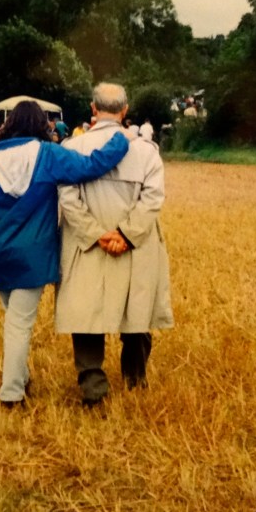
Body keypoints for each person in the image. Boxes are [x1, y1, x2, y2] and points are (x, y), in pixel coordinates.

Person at [0, 100, 132, 407]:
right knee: (19, 324)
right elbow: (91, 165)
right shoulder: (48, 155)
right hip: (33, 255)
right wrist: (121, 138)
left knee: (14, 320)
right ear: (43, 125)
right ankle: (12, 393)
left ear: (8, 125)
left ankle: (21, 379)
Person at [55, 82, 174, 405]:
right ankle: (135, 381)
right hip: (136, 246)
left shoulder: (71, 148)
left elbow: (67, 197)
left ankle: (93, 387)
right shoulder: (147, 151)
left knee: (86, 312)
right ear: (125, 111)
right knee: (137, 310)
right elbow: (153, 199)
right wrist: (127, 234)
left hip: (89, 246)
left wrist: (96, 233)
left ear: (93, 110)